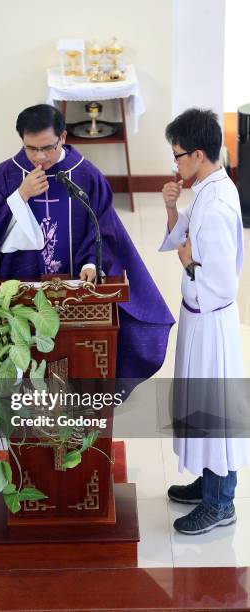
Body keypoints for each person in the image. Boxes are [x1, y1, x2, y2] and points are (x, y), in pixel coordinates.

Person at [0, 104, 174, 380]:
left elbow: (104, 229)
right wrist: (20, 196)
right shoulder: (7, 175)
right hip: (23, 296)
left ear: (63, 138)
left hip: (75, 295)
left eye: (47, 148)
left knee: (74, 366)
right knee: (27, 374)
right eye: (31, 148)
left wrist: (90, 262)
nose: (39, 157)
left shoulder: (86, 176)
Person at [160, 108, 248, 534]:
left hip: (211, 320)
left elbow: (219, 283)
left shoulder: (215, 205)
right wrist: (174, 211)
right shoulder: (211, 187)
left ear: (197, 154)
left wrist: (187, 260)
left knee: (215, 412)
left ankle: (221, 501)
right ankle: (209, 481)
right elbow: (184, 237)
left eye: (177, 155)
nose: (175, 163)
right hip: (201, 318)